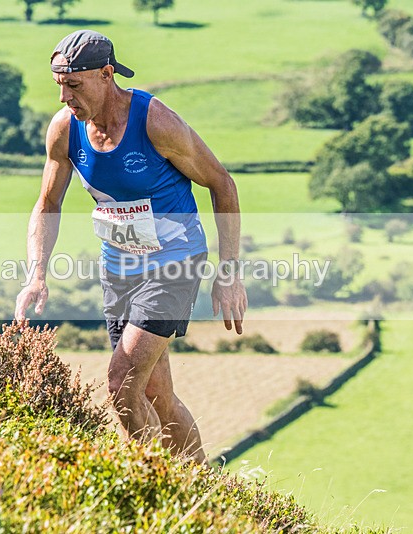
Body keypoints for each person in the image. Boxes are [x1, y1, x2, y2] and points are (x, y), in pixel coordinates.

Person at [15, 30, 247, 463]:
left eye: (75, 85)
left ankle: (154, 487)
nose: (65, 96)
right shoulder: (65, 130)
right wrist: (37, 275)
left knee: (121, 382)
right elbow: (47, 203)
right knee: (156, 392)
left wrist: (229, 271)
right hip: (119, 267)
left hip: (174, 262)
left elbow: (222, 183)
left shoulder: (155, 122)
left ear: (107, 74)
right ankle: (205, 488)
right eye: (59, 85)